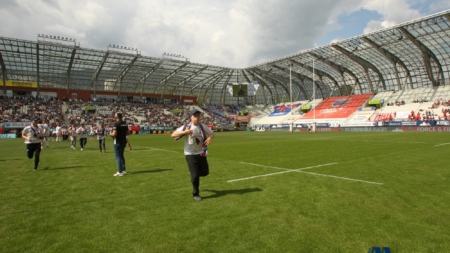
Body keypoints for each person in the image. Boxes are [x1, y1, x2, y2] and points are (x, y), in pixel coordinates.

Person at [171, 109, 214, 201]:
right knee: (195, 176)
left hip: (201, 152)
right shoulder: (187, 126)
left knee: (205, 172)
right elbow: (173, 135)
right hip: (190, 153)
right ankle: (196, 194)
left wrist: (210, 138)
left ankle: (194, 173)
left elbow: (212, 133)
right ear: (191, 117)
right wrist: (184, 132)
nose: (197, 118)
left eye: (198, 116)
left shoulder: (202, 126)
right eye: (195, 116)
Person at [110, 112, 129, 176]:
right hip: (123, 141)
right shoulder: (124, 123)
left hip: (117, 142)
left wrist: (110, 134)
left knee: (118, 156)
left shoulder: (116, 124)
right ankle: (123, 169)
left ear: (116, 117)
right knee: (121, 156)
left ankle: (120, 171)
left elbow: (114, 134)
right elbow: (128, 133)